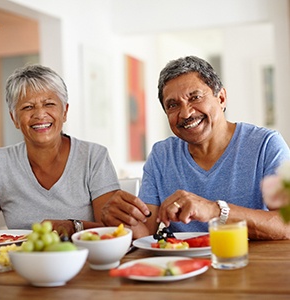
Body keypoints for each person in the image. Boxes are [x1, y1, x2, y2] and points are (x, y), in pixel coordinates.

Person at [101, 56, 290, 240]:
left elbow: (286, 224)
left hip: (248, 263)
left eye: (195, 97)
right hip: (182, 267)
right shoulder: (162, 155)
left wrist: (215, 211)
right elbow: (144, 233)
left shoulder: (266, 145)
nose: (185, 113)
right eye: (173, 105)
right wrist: (121, 221)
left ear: (222, 98)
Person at [0, 64, 123, 237]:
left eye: (49, 104)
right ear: (14, 118)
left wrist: (72, 226)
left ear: (64, 111)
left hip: (84, 260)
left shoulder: (94, 157)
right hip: (20, 261)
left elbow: (112, 232)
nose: (40, 114)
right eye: (28, 107)